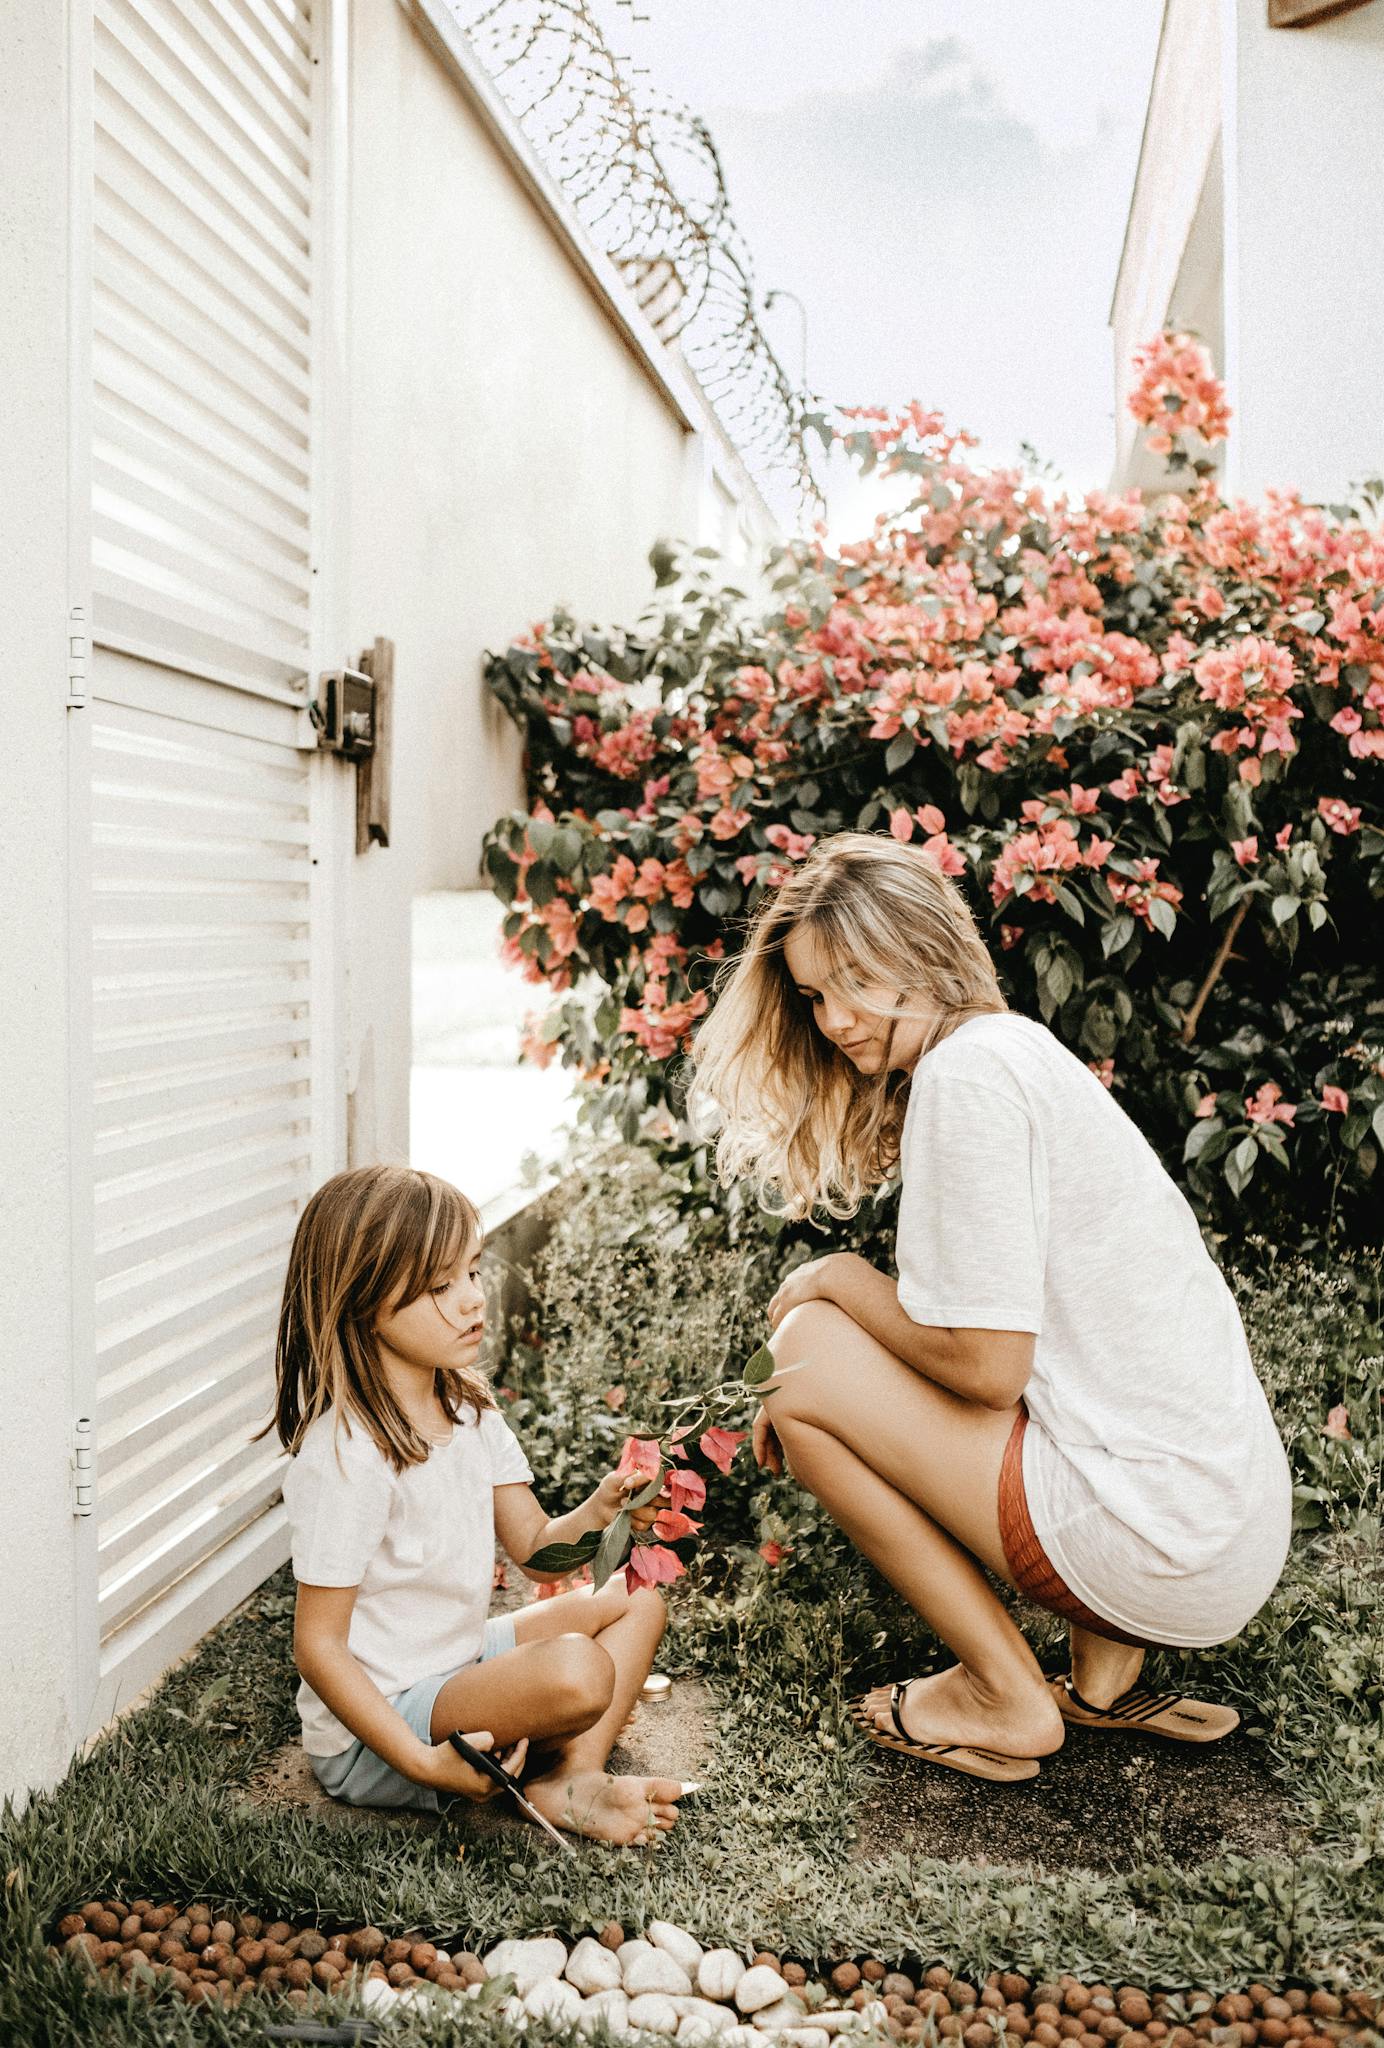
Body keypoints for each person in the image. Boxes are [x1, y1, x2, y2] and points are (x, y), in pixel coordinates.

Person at [689, 832, 1291, 1782]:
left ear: (923, 950)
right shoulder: (1014, 1053)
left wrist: (834, 1279)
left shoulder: (967, 1076)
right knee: (997, 1366)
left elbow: (986, 1367)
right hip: (1224, 1527)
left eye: (853, 978)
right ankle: (1102, 1673)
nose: (834, 1018)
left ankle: (1003, 1693)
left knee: (804, 1357)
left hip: (1156, 1539)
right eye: (811, 994)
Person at [264, 1163, 686, 1843]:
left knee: (638, 1599)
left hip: (459, 1660)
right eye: (440, 1286)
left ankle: (570, 1776)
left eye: (473, 1272)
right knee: (579, 1670)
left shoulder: (468, 1408)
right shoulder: (347, 1455)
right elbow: (318, 1647)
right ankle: (548, 1764)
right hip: (384, 1722)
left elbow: (536, 1550)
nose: (473, 1301)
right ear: (365, 1301)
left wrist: (601, 1512)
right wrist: (421, 1763)